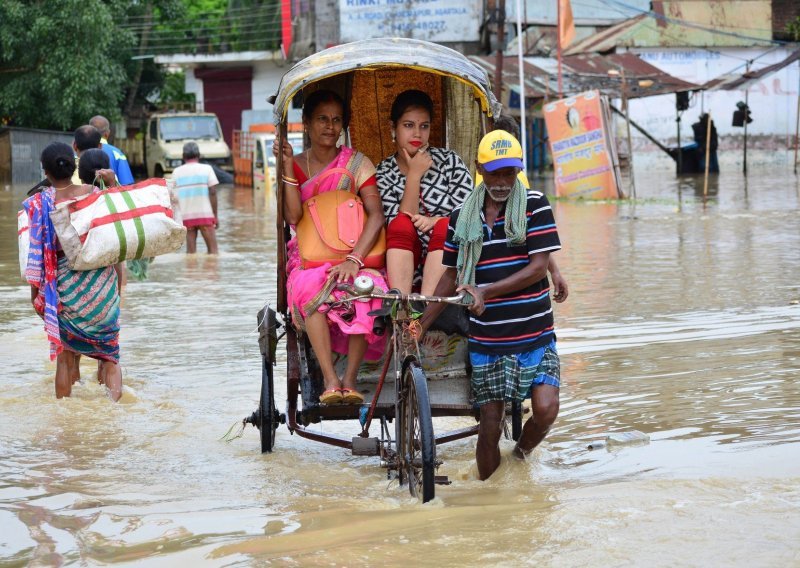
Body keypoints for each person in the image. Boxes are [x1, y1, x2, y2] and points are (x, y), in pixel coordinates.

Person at [418, 131, 562, 480]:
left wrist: (486, 292)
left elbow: (538, 267)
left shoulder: (535, 204)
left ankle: (521, 455)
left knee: (545, 410)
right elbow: (450, 277)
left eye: (509, 173)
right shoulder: (460, 218)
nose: (501, 182)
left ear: (518, 171)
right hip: (490, 342)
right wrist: (419, 325)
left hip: (536, 335)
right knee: (489, 426)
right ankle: (489, 498)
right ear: (480, 169)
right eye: (494, 173)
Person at [274, 89, 386, 405]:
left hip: (355, 253)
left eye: (336, 120)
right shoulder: (293, 164)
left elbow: (376, 215)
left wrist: (355, 259)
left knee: (371, 290)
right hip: (308, 257)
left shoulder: (358, 163)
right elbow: (293, 216)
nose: (330, 126)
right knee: (311, 290)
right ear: (306, 123)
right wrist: (285, 166)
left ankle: (349, 381)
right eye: (322, 119)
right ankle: (330, 380)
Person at [22, 142, 123, 401]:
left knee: (65, 359)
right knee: (110, 357)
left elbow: (36, 254)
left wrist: (35, 294)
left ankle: (64, 422)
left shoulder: (37, 203)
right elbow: (123, 217)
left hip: (64, 293)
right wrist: (112, 183)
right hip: (103, 289)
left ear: (45, 171)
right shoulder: (96, 195)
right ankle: (118, 415)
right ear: (74, 166)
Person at [376, 90, 474, 294]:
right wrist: (414, 175)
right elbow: (396, 225)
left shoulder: (449, 162)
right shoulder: (383, 172)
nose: (417, 134)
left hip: (450, 267)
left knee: (446, 226)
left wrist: (436, 221)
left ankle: (428, 306)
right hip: (404, 268)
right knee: (401, 223)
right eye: (408, 125)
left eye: (424, 126)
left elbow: (470, 214)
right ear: (393, 128)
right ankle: (400, 306)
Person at [477, 114, 568, 303]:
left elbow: (534, 239)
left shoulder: (525, 190)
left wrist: (555, 272)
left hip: (517, 288)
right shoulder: (478, 192)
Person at [172, 141, 220, 254]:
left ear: (183, 157)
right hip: (205, 216)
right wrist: (215, 216)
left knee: (190, 254)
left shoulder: (176, 172)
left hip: (186, 217)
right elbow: (213, 192)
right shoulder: (207, 169)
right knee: (213, 252)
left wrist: (176, 219)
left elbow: (173, 198)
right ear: (198, 155)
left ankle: (191, 272)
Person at [89, 115, 135, 185]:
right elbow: (127, 184)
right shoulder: (117, 154)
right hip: (108, 195)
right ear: (107, 134)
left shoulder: (79, 152)